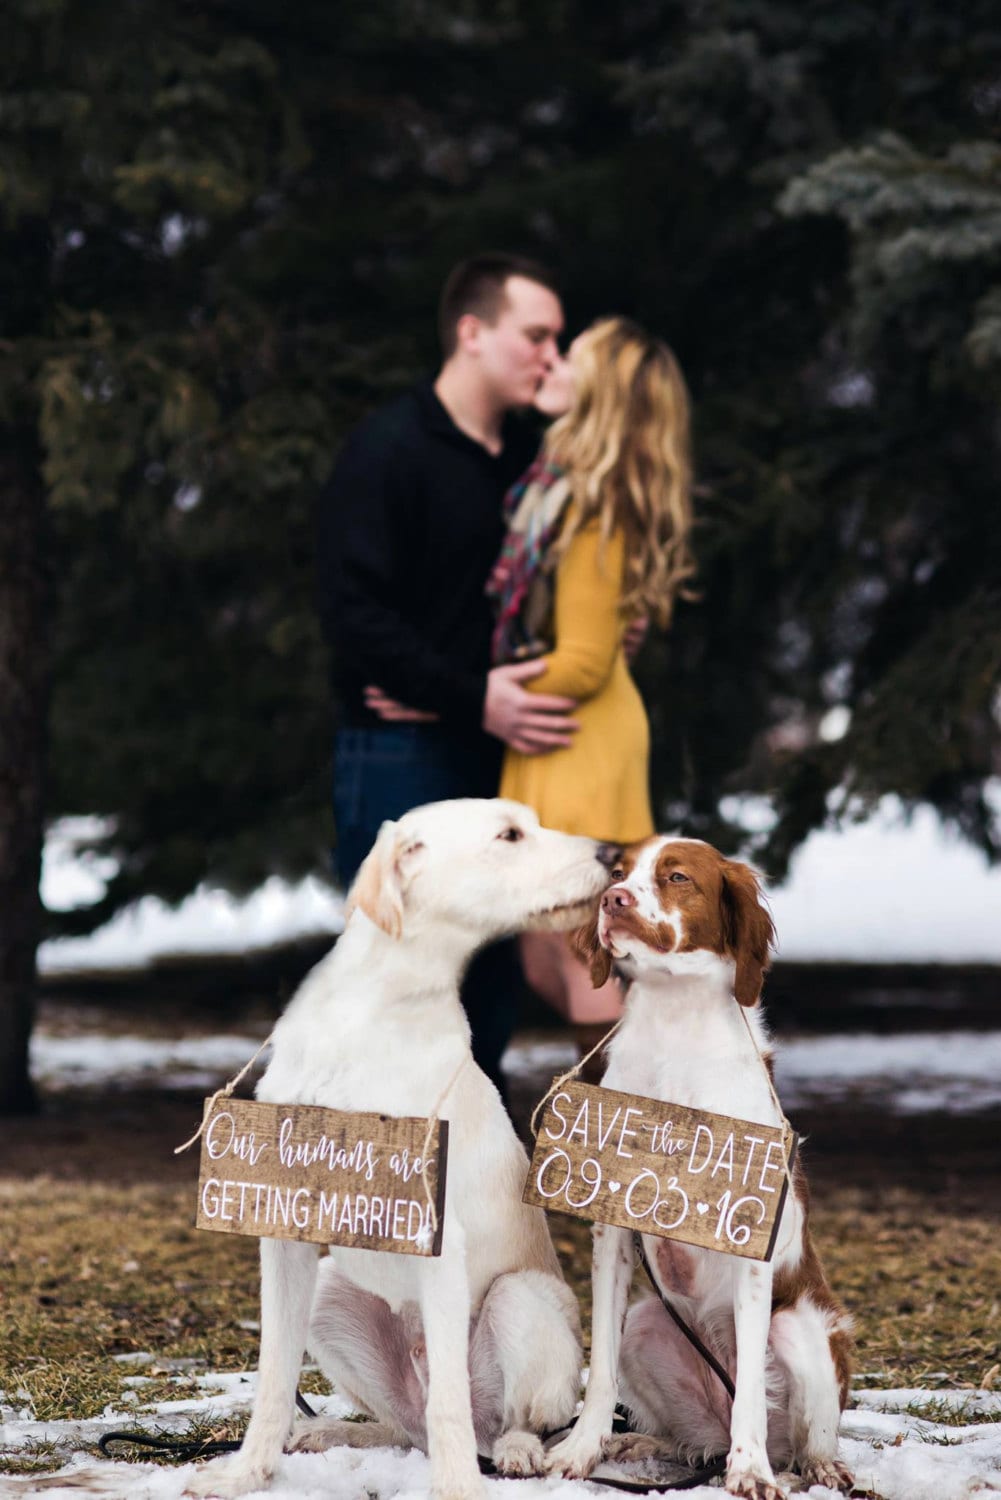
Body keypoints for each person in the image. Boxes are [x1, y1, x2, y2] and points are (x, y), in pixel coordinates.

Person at [316, 253, 578, 1100]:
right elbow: (354, 618)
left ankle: (462, 1219)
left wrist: (575, 429)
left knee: (485, 1008)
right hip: (403, 758)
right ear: (472, 332)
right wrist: (469, 694)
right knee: (395, 993)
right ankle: (368, 1224)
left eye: (559, 340)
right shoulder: (389, 449)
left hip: (498, 763)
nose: (550, 355)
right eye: (535, 335)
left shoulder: (535, 464)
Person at [485, 316, 696, 1075]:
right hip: (557, 742)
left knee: (579, 960)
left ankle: (603, 1143)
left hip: (579, 742)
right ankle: (613, 1115)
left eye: (569, 355)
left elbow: (579, 663)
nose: (551, 360)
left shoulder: (593, 512)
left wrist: (474, 688)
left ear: (598, 392)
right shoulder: (561, 496)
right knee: (550, 961)